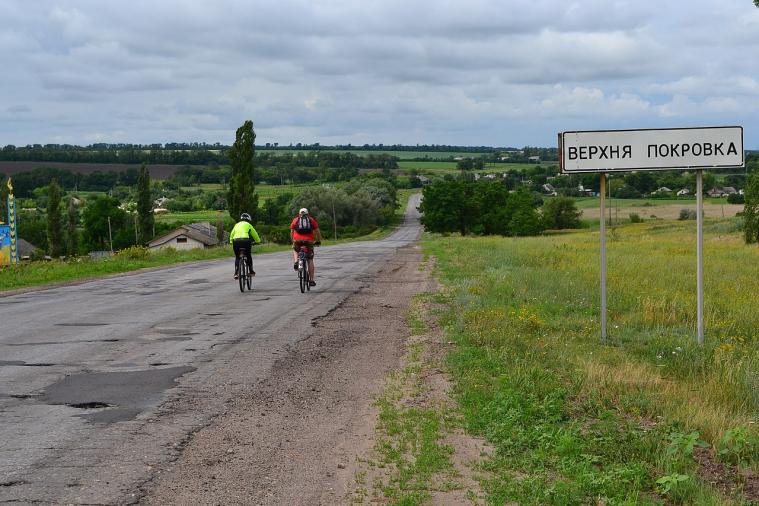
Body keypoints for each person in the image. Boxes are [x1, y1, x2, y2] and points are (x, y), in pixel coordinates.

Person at [290, 207, 321, 286]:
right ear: (308, 214)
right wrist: (318, 241)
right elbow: (317, 232)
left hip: (297, 241)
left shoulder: (295, 220)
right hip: (309, 241)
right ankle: (311, 280)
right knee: (310, 260)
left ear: (299, 214)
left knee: (295, 249)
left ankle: (296, 261)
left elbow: (292, 232)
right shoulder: (311, 220)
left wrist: (292, 241)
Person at [229, 213, 261, 279]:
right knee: (248, 255)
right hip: (246, 241)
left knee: (237, 257)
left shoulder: (236, 225)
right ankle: (251, 271)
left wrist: (231, 241)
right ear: (248, 220)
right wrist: (258, 241)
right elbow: (254, 234)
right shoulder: (249, 225)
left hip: (236, 241)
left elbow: (232, 234)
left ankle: (236, 273)